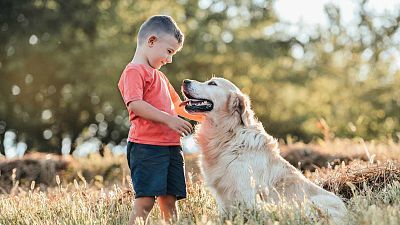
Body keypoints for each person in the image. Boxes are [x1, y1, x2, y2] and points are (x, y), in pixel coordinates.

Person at [117, 15, 203, 224]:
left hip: (172, 147)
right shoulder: (134, 71)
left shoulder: (160, 76)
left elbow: (177, 106)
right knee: (146, 200)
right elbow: (135, 103)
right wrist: (168, 120)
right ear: (152, 41)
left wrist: (206, 117)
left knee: (170, 200)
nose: (170, 59)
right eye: (169, 52)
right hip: (146, 147)